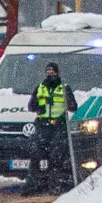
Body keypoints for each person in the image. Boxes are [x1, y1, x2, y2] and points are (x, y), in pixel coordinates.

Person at [32, 61, 77, 191]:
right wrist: (38, 106)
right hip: (43, 126)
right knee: (37, 154)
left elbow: (73, 107)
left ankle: (56, 185)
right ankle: (37, 184)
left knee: (57, 156)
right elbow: (31, 105)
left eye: (52, 72)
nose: (50, 75)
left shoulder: (64, 87)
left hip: (58, 126)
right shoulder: (40, 87)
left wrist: (67, 99)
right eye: (48, 72)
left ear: (57, 73)